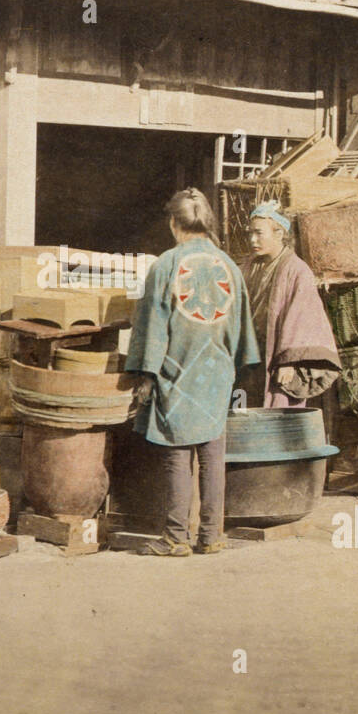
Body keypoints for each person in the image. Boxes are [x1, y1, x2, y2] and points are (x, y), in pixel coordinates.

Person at [124, 188, 259, 557]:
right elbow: (241, 325)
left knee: (176, 453)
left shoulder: (166, 264)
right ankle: (212, 535)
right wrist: (233, 367)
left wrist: (146, 374)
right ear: (208, 223)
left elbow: (152, 324)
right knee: (213, 452)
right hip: (216, 372)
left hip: (176, 372)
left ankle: (175, 537)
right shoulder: (229, 266)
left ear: (173, 223)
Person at [239, 201, 340, 409]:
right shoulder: (249, 265)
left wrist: (289, 361)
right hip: (251, 356)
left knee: (278, 413)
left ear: (279, 233)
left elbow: (303, 318)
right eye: (250, 233)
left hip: (277, 356)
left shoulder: (297, 270)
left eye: (259, 233)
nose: (252, 239)